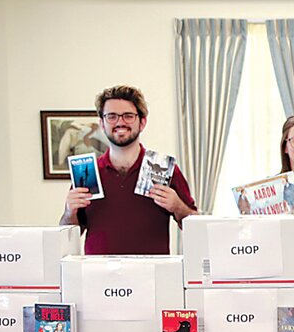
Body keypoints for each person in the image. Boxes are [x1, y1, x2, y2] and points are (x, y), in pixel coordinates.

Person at [61, 85, 197, 254]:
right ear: (102, 123)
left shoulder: (165, 170)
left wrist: (178, 206)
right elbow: (67, 236)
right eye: (111, 116)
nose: (120, 122)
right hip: (97, 276)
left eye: (128, 116)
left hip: (153, 276)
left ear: (142, 122)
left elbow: (197, 230)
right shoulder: (86, 172)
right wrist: (69, 211)